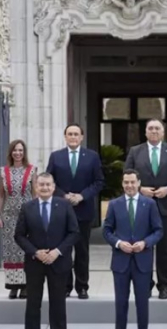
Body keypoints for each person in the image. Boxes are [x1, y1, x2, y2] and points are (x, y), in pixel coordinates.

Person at [14, 172, 80, 329]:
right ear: (36, 187)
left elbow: (74, 232)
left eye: (48, 185)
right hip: (35, 263)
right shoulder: (27, 207)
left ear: (53, 186)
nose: (44, 188)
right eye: (41, 185)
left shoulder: (65, 205)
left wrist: (57, 252)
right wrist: (35, 252)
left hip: (58, 262)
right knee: (33, 303)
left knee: (58, 303)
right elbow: (19, 235)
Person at [124, 118, 167, 299]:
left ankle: (163, 285)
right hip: (142, 207)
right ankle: (146, 284)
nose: (154, 131)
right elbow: (127, 174)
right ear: (145, 132)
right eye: (150, 128)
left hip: (166, 206)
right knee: (143, 248)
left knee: (165, 249)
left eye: (157, 128)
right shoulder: (136, 151)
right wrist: (139, 189)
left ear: (163, 132)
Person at [102, 169, 163, 329]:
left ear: (138, 183)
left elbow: (158, 230)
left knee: (142, 304)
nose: (129, 185)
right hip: (121, 261)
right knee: (121, 303)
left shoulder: (149, 204)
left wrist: (145, 243)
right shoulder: (114, 204)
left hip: (142, 261)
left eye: (132, 182)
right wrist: (119, 243)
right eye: (126, 182)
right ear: (122, 184)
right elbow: (106, 231)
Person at [46, 124, 104, 299]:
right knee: (63, 249)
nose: (73, 137)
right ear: (65, 136)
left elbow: (99, 181)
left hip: (83, 210)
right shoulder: (56, 157)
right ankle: (65, 286)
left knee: (82, 251)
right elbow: (49, 181)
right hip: (61, 211)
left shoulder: (92, 157)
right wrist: (63, 196)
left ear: (81, 137)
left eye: (76, 134)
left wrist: (82, 196)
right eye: (70, 134)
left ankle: (82, 286)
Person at [0, 140, 37, 299]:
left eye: (20, 150)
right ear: (11, 152)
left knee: (24, 250)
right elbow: (0, 195)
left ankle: (26, 285)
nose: (18, 153)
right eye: (15, 150)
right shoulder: (3, 171)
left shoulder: (31, 170)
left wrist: (37, 214)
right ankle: (13, 285)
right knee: (11, 250)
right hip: (9, 215)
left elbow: (35, 194)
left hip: (27, 215)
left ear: (24, 152)